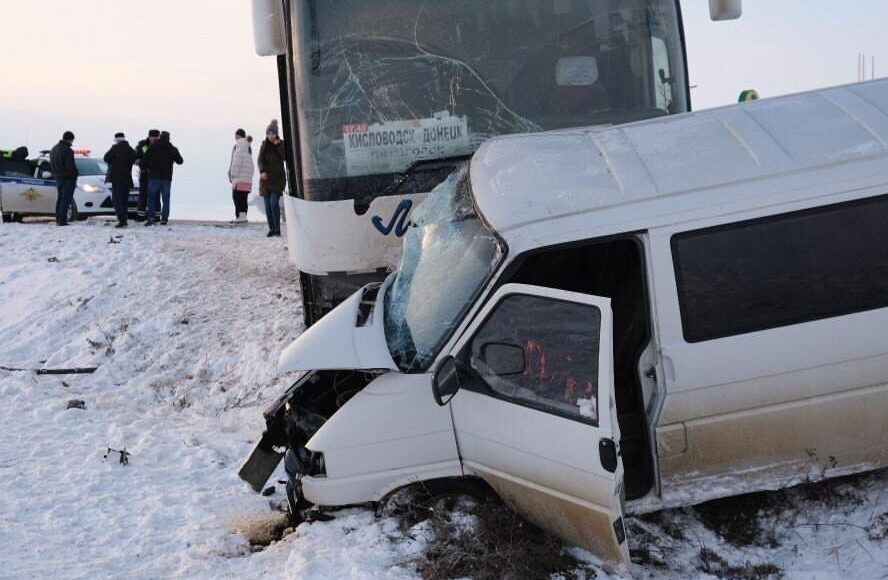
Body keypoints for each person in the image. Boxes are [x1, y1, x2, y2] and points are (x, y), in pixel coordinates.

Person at [143, 131, 183, 226]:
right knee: (166, 199)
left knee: (151, 198)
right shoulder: (173, 149)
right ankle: (164, 219)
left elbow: (143, 163)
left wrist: (147, 167)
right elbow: (180, 161)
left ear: (160, 137)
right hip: (167, 178)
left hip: (154, 177)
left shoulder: (152, 148)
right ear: (169, 138)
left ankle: (151, 218)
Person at [258, 119, 286, 237]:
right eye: (268, 133)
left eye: (272, 133)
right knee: (268, 206)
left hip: (277, 179)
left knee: (274, 203)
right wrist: (262, 171)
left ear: (276, 134)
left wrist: (278, 145)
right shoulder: (264, 146)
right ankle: (272, 229)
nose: (270, 136)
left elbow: (285, 157)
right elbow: (260, 160)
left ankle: (277, 229)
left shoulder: (281, 144)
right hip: (265, 180)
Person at [103, 132, 136, 228]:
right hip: (127, 178)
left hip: (116, 178)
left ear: (116, 139)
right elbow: (134, 159)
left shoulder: (115, 148)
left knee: (116, 199)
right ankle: (124, 218)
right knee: (124, 200)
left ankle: (121, 219)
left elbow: (106, 158)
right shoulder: (130, 149)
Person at [49, 131, 78, 226]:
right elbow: (70, 166)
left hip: (58, 177)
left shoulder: (54, 149)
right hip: (67, 178)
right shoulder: (67, 150)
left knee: (60, 198)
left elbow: (52, 164)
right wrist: (75, 175)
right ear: (70, 139)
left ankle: (58, 218)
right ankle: (62, 220)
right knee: (66, 199)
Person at [228, 128, 254, 223]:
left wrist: (232, 174)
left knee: (237, 197)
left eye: (237, 137)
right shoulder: (247, 147)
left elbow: (236, 163)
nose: (236, 139)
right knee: (243, 198)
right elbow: (250, 164)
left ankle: (239, 216)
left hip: (239, 178)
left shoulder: (238, 148)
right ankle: (243, 216)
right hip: (246, 178)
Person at [133, 129, 160, 220]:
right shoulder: (142, 145)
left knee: (156, 195)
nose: (155, 139)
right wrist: (141, 162)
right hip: (145, 173)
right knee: (143, 195)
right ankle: (141, 216)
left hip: (156, 174)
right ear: (149, 137)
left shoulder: (161, 145)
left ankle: (156, 216)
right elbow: (136, 157)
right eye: (153, 137)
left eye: (157, 137)